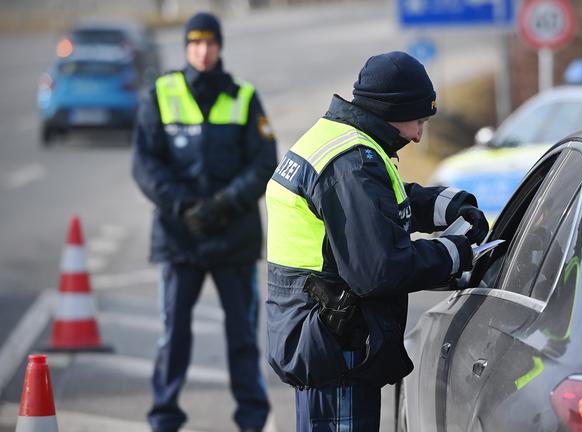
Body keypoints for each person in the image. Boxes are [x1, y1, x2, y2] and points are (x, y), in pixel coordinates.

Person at [265, 51, 489, 431]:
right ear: (390, 110)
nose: (419, 135)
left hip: (323, 338)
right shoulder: (351, 162)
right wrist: (459, 252)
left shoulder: (342, 142)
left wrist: (449, 204)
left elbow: (380, 204)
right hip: (337, 346)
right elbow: (380, 269)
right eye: (418, 121)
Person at [132, 12, 275, 432]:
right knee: (172, 334)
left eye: (210, 43)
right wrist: (184, 206)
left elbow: (264, 161)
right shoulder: (161, 93)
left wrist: (223, 205)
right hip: (180, 239)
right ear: (186, 47)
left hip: (234, 238)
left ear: (220, 46)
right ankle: (164, 417)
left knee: (243, 338)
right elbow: (145, 163)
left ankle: (252, 421)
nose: (203, 50)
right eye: (195, 43)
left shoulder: (245, 97)